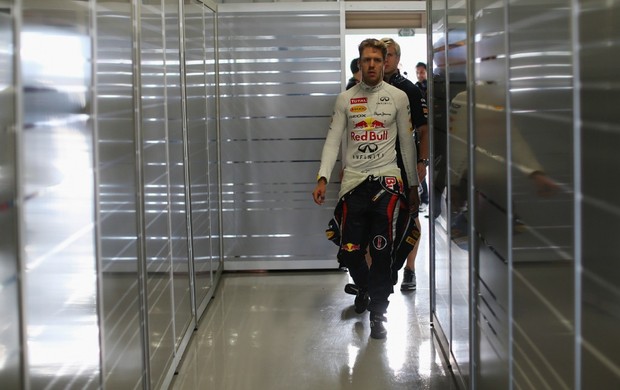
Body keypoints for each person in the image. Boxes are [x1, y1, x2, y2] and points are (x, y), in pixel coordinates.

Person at [312, 38, 419, 339]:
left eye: (376, 59)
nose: (371, 64)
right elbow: (333, 140)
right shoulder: (345, 99)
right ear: (359, 63)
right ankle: (365, 288)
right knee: (349, 251)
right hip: (354, 181)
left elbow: (407, 146)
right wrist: (322, 177)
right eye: (365, 59)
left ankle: (379, 313)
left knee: (382, 250)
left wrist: (412, 185)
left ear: (384, 63)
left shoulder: (398, 97)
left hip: (387, 180)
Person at [380, 38, 429, 292]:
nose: (384, 59)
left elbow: (423, 129)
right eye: (381, 55)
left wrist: (422, 161)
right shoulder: (367, 87)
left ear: (397, 59)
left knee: (411, 215)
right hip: (376, 163)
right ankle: (373, 275)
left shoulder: (409, 89)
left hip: (405, 162)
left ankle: (410, 269)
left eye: (389, 55)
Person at [414, 62, 430, 208]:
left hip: (429, 133)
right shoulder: (413, 89)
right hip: (417, 136)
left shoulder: (431, 88)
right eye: (418, 72)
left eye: (422, 72)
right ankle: (423, 197)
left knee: (422, 167)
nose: (420, 75)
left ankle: (425, 198)